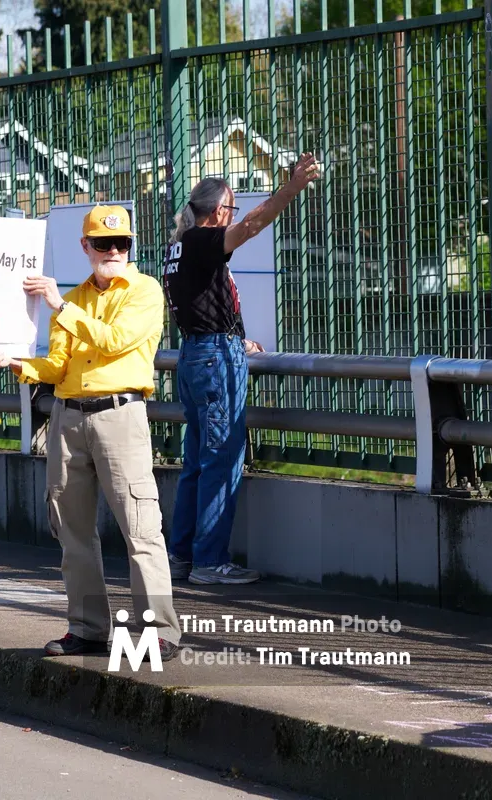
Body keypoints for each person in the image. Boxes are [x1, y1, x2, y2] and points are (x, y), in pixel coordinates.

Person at [0, 205, 182, 660]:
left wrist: (61, 306)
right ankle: (88, 628)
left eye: (122, 243)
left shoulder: (144, 291)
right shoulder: (73, 298)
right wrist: (12, 362)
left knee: (140, 527)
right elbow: (56, 366)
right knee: (72, 530)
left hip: (119, 414)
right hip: (68, 416)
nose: (114, 251)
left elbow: (114, 340)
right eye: (103, 243)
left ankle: (159, 632)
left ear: (131, 246)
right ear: (85, 247)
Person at [161, 155, 322, 585]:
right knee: (222, 459)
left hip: (197, 355)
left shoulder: (176, 248)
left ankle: (181, 556)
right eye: (230, 209)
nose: (233, 217)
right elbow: (251, 226)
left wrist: (237, 336)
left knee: (197, 460)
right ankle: (210, 562)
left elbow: (203, 305)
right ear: (217, 212)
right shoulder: (201, 239)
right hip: (214, 360)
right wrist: (290, 189)